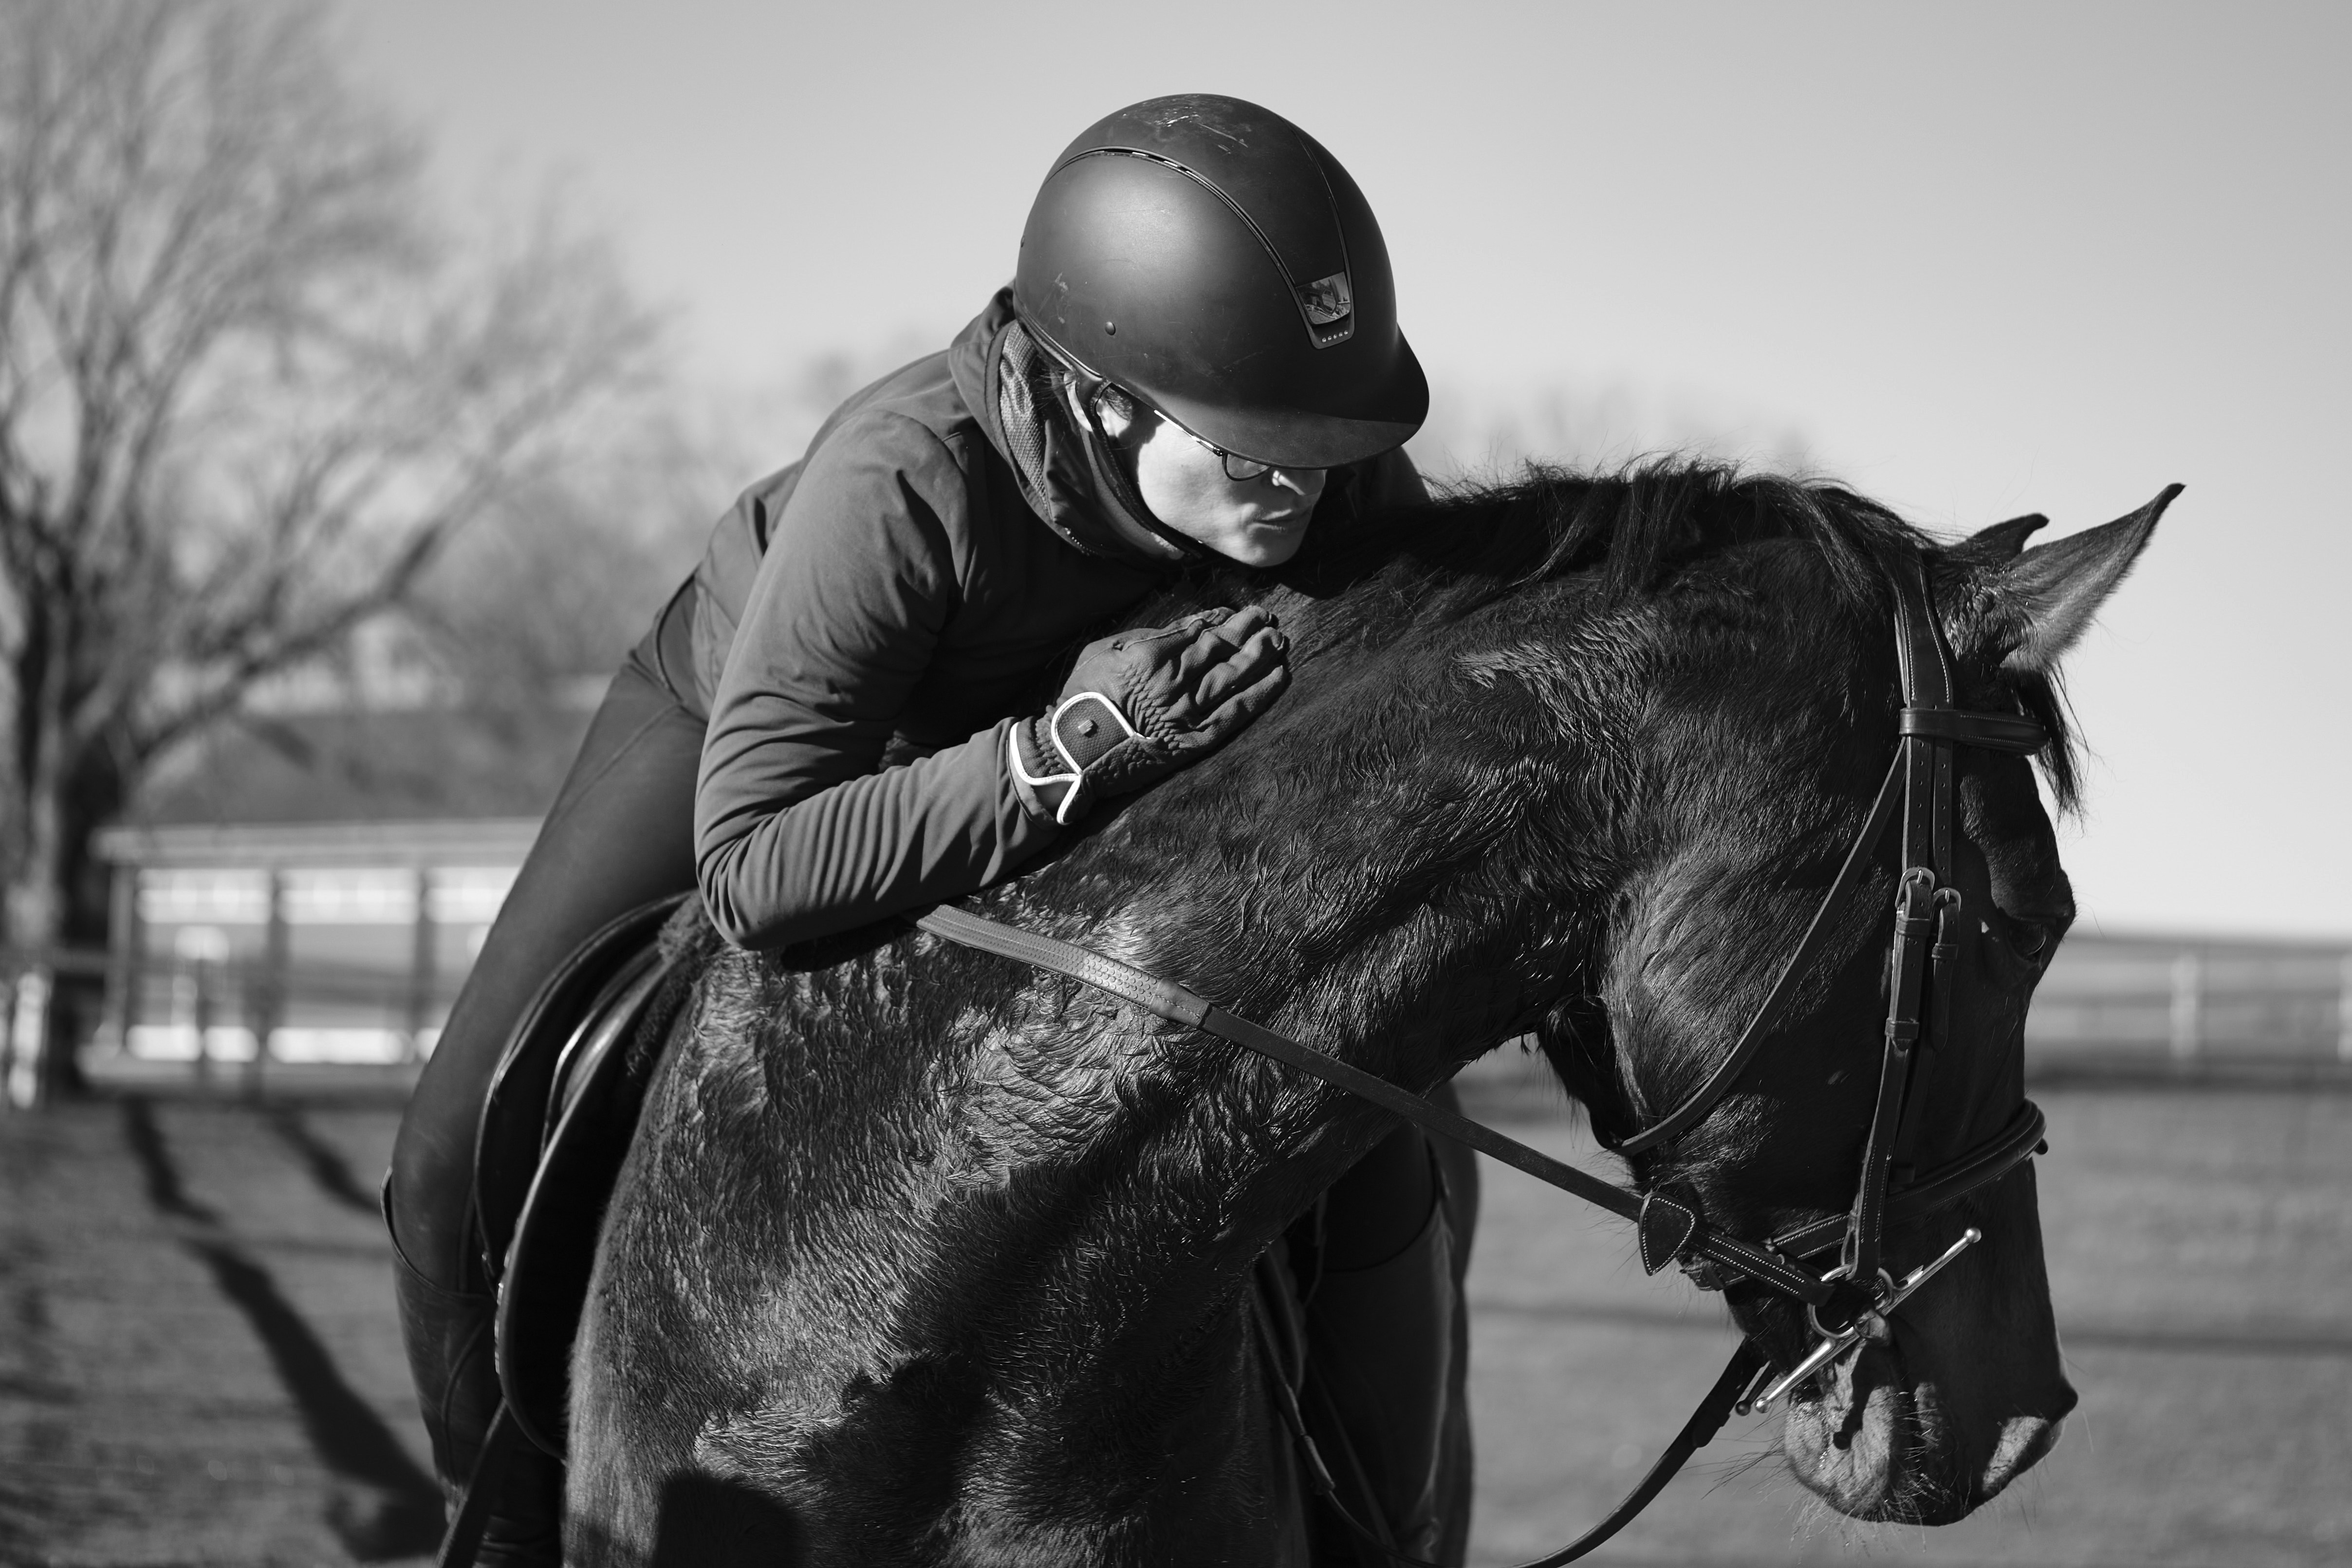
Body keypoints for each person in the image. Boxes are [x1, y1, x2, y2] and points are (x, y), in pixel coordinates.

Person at [386, 93, 1474, 1564]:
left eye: (1326, 442)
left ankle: (1386, 1535)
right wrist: (1072, 748)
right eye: (1254, 448)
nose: (1303, 482)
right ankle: (509, 1521)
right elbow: (759, 869)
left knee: (1400, 1122)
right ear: (1100, 397)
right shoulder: (906, 476)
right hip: (776, 750)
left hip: (1098, 754)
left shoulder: (1322, 476)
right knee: (449, 1155)